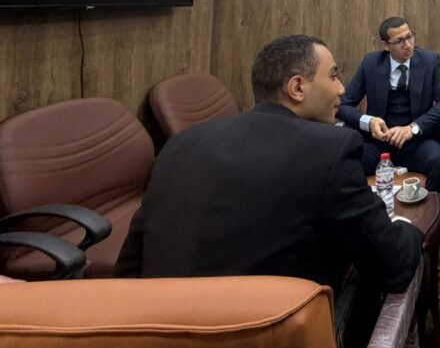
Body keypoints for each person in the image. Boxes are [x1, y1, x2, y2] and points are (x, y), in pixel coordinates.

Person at [115, 34, 422, 310]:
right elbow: (392, 266)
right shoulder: (329, 149)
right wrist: (408, 227)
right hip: (269, 333)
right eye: (333, 75)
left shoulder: (179, 145)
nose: (342, 88)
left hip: (156, 329)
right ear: (298, 88)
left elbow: (129, 266)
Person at [338, 17, 440, 192]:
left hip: (417, 142)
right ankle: (366, 206)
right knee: (346, 163)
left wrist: (413, 128)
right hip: (379, 144)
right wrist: (369, 122)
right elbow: (342, 106)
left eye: (410, 37)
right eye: (399, 41)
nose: (408, 45)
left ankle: (432, 207)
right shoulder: (370, 64)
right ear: (386, 46)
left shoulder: (430, 61)